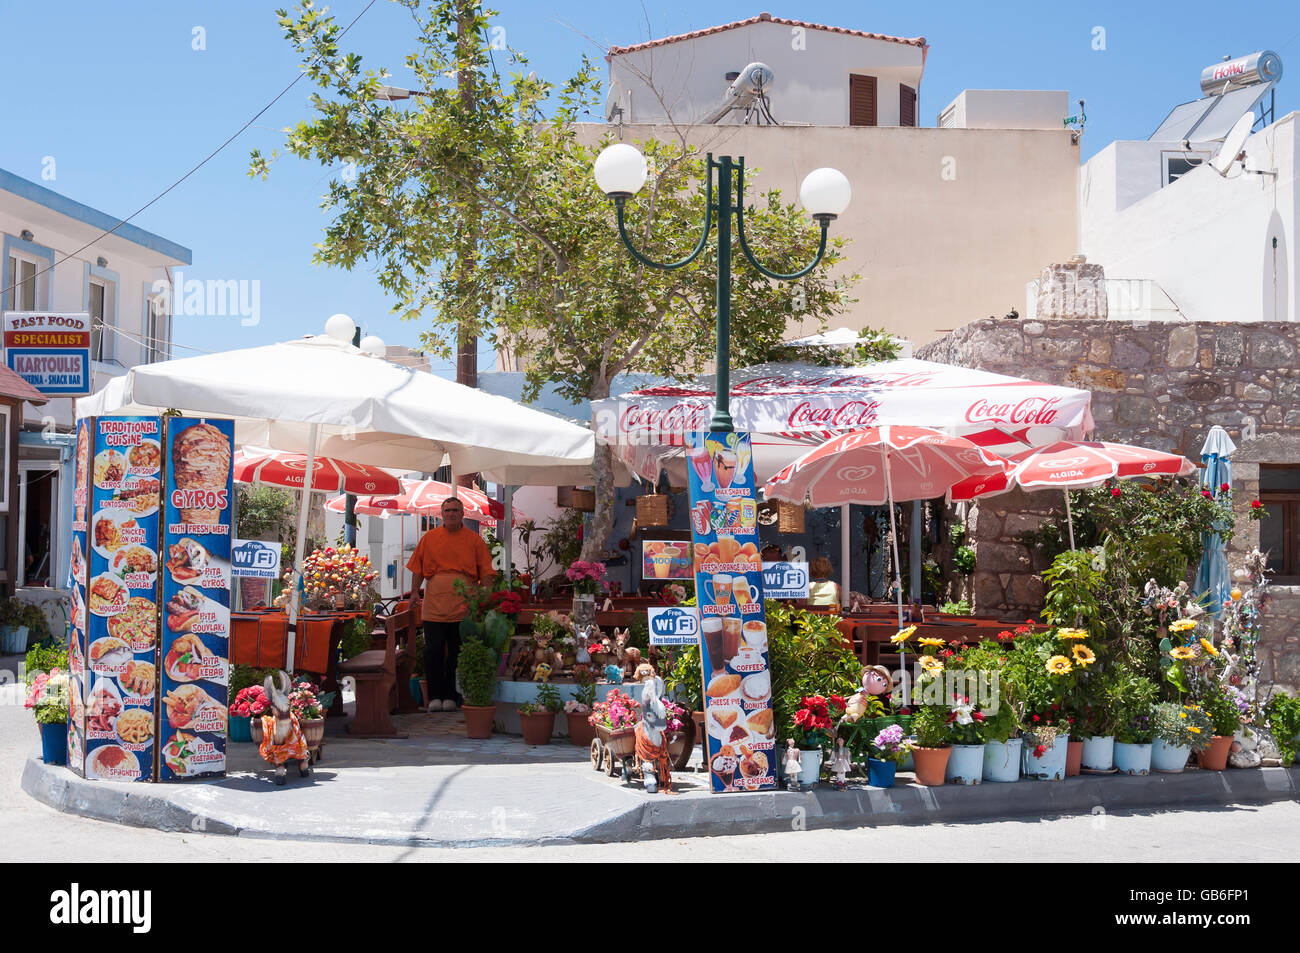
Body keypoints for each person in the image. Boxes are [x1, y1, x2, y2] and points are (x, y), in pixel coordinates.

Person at [407, 496, 495, 711]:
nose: (452, 514)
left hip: (464, 606)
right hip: (434, 604)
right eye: (447, 510)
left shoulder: (474, 540)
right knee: (433, 651)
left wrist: (484, 599)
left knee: (458, 652)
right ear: (442, 514)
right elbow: (417, 568)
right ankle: (435, 696)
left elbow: (487, 572)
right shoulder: (429, 538)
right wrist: (413, 595)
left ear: (462, 514)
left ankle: (452, 696)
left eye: (455, 510)